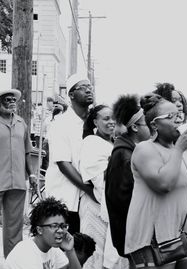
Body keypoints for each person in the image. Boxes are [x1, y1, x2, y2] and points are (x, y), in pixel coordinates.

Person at [125, 94, 187, 268]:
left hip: (186, 235)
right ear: (154, 125)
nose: (177, 119)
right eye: (170, 117)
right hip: (154, 239)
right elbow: (164, 184)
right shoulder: (145, 149)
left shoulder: (181, 152)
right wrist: (179, 149)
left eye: (179, 114)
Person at [45, 73, 95, 234]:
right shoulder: (61, 123)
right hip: (65, 195)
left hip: (86, 198)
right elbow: (63, 164)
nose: (89, 90)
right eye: (83, 87)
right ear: (71, 95)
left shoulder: (93, 123)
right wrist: (89, 190)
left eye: (90, 87)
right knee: (62, 246)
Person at [105, 94, 151, 263]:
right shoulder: (124, 156)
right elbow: (123, 200)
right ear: (135, 127)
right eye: (147, 123)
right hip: (132, 235)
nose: (151, 128)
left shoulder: (130, 151)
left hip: (134, 235)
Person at [79, 104, 119, 269]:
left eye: (114, 118)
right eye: (106, 118)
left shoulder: (114, 143)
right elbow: (97, 178)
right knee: (95, 255)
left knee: (111, 256)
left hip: (112, 204)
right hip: (97, 205)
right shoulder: (91, 142)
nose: (111, 122)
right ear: (95, 122)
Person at [0, 88, 36, 257]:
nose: (12, 102)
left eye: (13, 99)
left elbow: (27, 150)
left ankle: (13, 262)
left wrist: (32, 174)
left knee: (14, 227)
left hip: (18, 182)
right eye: (7, 99)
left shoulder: (22, 123)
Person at [5, 197, 81, 269]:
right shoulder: (26, 253)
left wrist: (70, 251)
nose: (60, 230)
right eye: (54, 226)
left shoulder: (52, 248)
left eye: (62, 226)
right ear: (39, 230)